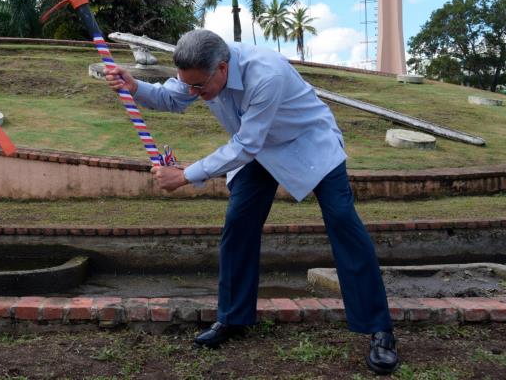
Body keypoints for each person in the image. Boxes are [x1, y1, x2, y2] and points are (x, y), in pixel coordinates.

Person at [105, 29, 399, 375]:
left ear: (223, 69)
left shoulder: (266, 74)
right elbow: (173, 97)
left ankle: (380, 330)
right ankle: (233, 318)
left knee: (343, 223)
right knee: (238, 225)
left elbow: (246, 144)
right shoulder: (203, 72)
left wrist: (185, 175)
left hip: (309, 145)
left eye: (200, 87)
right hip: (259, 151)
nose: (196, 95)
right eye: (191, 86)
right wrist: (135, 85)